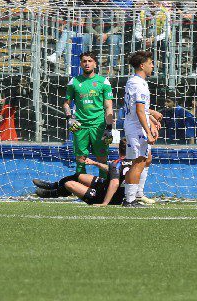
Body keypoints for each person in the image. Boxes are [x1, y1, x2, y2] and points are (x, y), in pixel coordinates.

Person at [122, 50, 163, 206]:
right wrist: (148, 131)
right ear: (142, 65)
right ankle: (130, 199)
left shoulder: (138, 82)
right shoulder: (138, 83)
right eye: (150, 63)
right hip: (136, 127)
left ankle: (137, 194)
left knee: (146, 159)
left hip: (138, 125)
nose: (152, 65)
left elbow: (140, 108)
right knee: (138, 162)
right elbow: (139, 110)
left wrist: (151, 118)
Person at [65, 50, 115, 176]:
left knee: (102, 158)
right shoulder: (74, 82)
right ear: (81, 64)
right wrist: (70, 119)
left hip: (99, 125)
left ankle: (104, 186)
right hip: (80, 126)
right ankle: (81, 187)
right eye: (84, 61)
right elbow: (66, 103)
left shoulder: (103, 82)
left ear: (95, 64)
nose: (87, 64)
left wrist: (109, 128)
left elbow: (109, 107)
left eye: (90, 61)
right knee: (80, 160)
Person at [32, 148, 127, 206]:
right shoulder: (135, 163)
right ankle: (52, 186)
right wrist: (95, 163)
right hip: (105, 186)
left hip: (108, 197)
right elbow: (114, 170)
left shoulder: (124, 163)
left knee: (69, 184)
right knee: (78, 176)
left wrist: (105, 203)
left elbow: (115, 182)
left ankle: (52, 193)